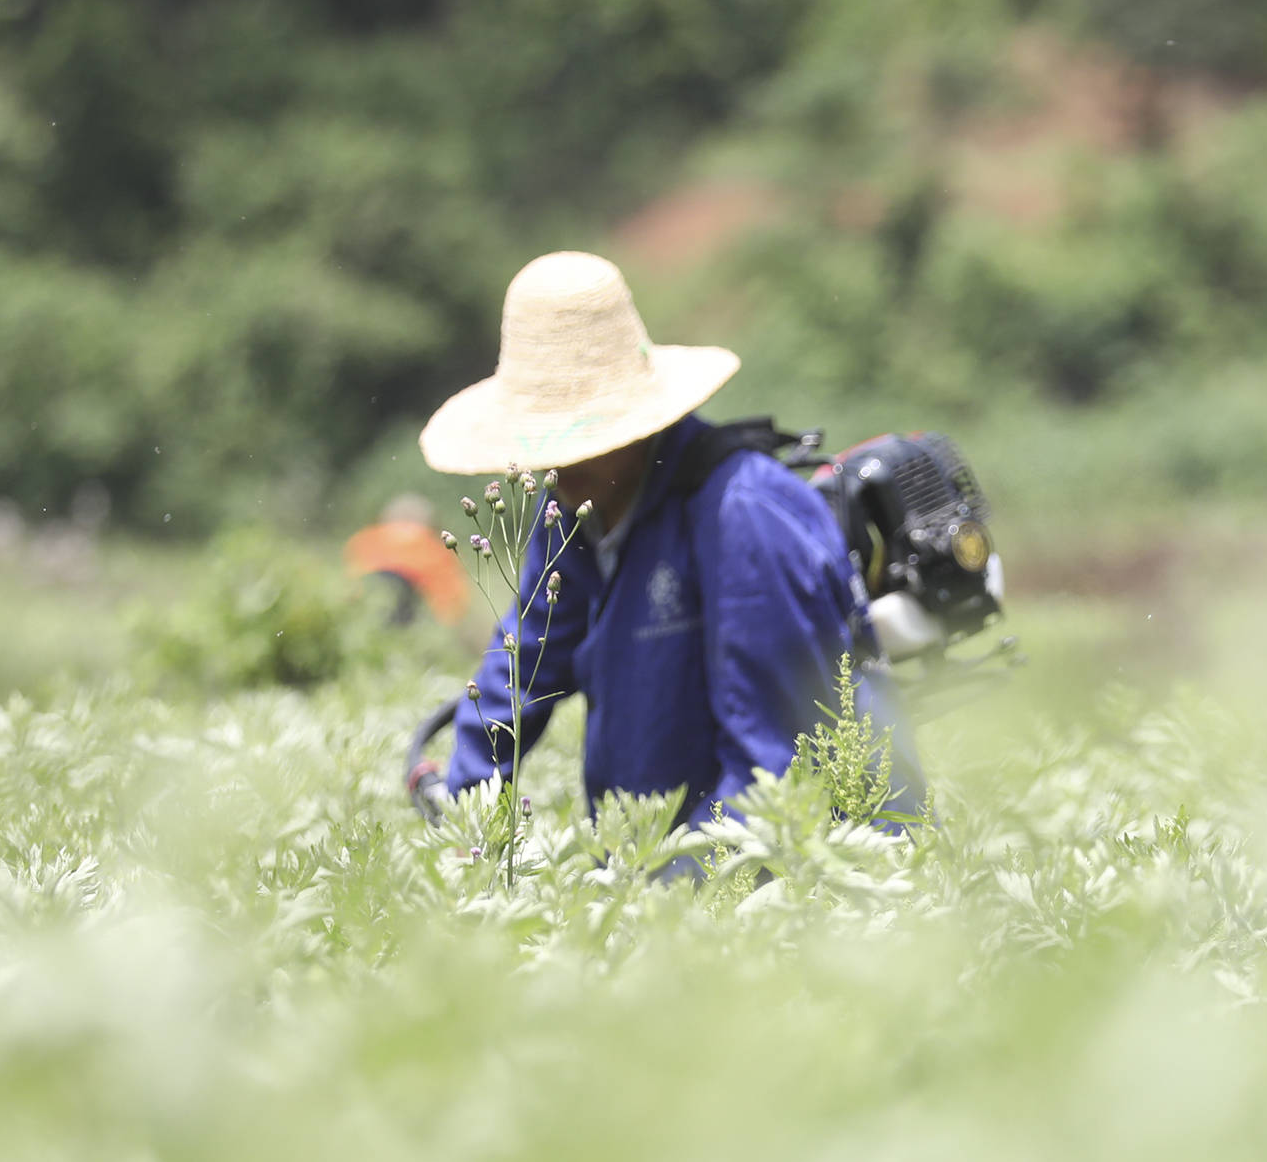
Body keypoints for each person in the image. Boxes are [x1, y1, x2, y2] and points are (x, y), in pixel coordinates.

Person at [405, 250, 915, 831]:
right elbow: (522, 667)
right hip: (662, 865)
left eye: (573, 437)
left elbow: (772, 771)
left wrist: (660, 901)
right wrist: (467, 812)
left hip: (820, 882)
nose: (551, 462)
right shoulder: (572, 508)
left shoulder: (742, 517)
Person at [345, 493, 472, 627]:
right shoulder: (437, 549)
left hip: (370, 614)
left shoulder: (364, 540)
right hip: (415, 621)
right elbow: (453, 603)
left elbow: (352, 584)